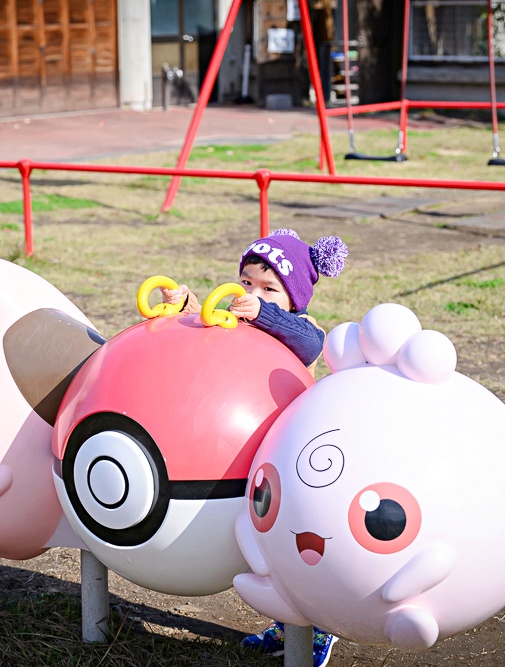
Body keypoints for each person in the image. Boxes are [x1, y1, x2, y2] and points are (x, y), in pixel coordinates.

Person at [162, 227, 348, 666]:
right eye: (247, 282)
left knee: (294, 548)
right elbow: (208, 325)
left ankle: (316, 628)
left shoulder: (299, 326)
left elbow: (307, 343)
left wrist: (263, 312)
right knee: (263, 554)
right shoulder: (241, 314)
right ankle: (287, 626)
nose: (251, 293)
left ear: (293, 298)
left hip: (292, 457)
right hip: (250, 451)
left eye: (269, 288)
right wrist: (186, 306)